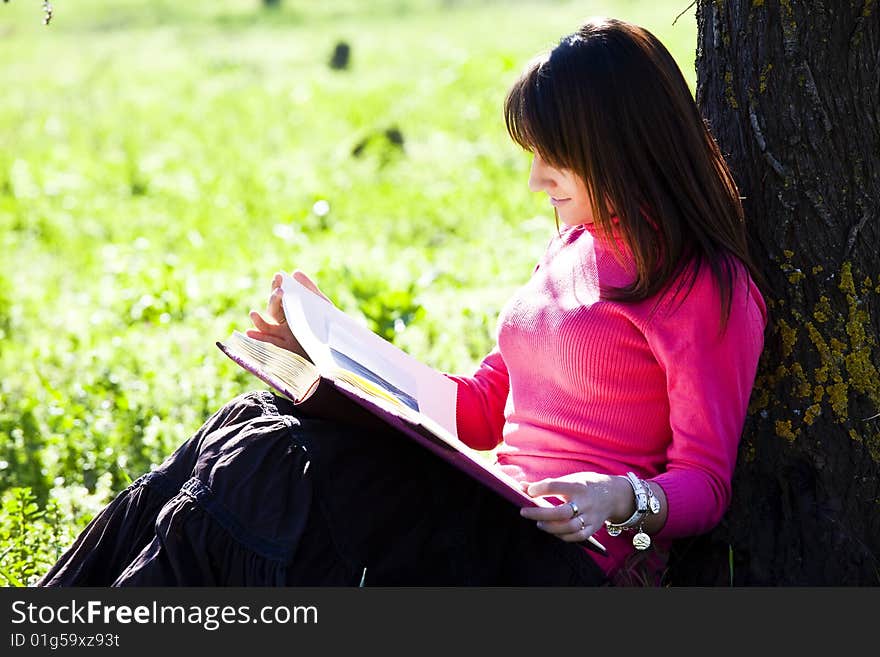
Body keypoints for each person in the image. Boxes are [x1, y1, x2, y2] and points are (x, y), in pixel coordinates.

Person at [37, 17, 767, 587]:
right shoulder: (572, 246)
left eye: (556, 155)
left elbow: (706, 482)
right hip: (488, 505)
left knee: (267, 463)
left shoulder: (702, 287)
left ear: (622, 147)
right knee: (250, 424)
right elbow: (482, 409)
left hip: (558, 561)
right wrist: (334, 352)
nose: (537, 179)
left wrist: (619, 498)